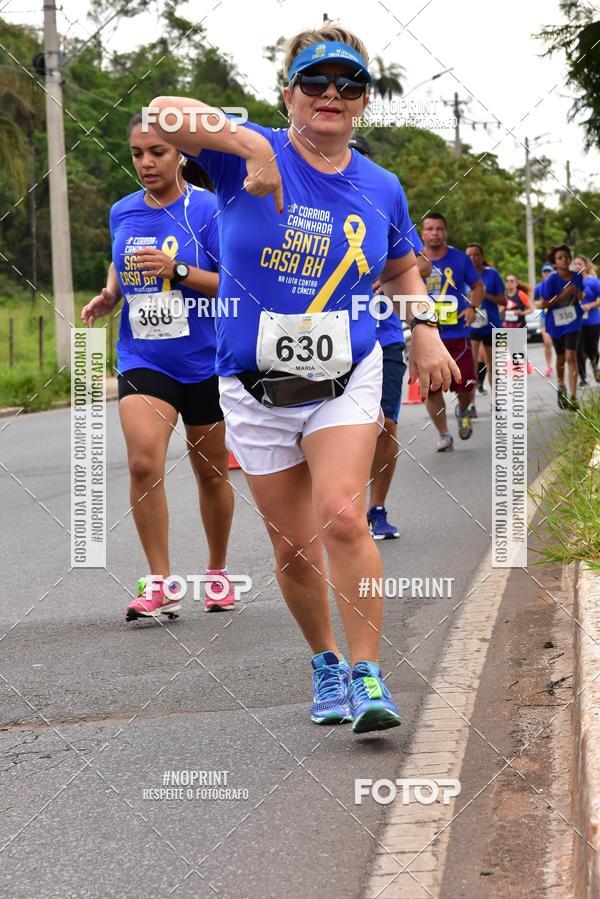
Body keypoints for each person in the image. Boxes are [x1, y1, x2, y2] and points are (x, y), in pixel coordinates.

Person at [150, 25, 458, 733]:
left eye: (349, 83)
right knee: (291, 548)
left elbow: (400, 266)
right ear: (287, 92)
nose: (331, 93)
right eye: (315, 80)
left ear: (363, 103)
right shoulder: (239, 158)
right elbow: (163, 111)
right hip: (253, 380)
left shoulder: (381, 185)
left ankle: (367, 671)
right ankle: (324, 659)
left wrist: (426, 330)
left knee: (344, 514)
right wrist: (255, 148)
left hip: (343, 372)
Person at [81, 113, 235, 619]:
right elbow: (122, 258)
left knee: (211, 474)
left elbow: (233, 284)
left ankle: (216, 573)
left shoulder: (210, 209)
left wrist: (180, 271)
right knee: (144, 461)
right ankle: (161, 581)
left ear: (182, 154)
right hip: (143, 355)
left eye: (158, 153)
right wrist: (111, 292)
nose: (146, 163)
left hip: (205, 358)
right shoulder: (122, 210)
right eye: (137, 154)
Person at [349, 136, 432, 540]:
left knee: (385, 425)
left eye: (358, 158)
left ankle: (376, 508)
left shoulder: (382, 201)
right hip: (332, 341)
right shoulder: (311, 205)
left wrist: (388, 273)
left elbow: (420, 262)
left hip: (384, 338)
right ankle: (340, 508)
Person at [421, 214, 484, 451]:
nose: (434, 232)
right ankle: (444, 434)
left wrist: (471, 307)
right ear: (422, 233)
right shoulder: (414, 260)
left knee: (466, 384)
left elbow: (478, 286)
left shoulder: (459, 259)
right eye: (429, 228)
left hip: (457, 333)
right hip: (427, 335)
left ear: (445, 232)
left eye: (439, 228)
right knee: (431, 388)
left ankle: (463, 409)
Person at [538, 244, 584, 410]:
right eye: (560, 258)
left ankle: (573, 396)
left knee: (571, 356)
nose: (564, 259)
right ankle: (561, 386)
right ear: (555, 263)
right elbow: (543, 304)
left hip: (573, 321)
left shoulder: (577, 276)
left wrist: (578, 293)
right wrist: (563, 295)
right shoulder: (550, 280)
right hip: (556, 323)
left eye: (566, 257)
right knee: (561, 358)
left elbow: (580, 296)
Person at [465, 243, 505, 414]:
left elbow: (503, 301)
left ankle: (496, 401)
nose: (473, 258)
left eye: (476, 255)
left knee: (493, 365)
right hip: (472, 325)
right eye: (469, 255)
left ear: (482, 257)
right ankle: (471, 404)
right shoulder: (462, 276)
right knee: (471, 365)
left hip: (492, 324)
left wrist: (482, 294)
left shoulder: (492, 274)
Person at [573, 255, 600, 385]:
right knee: (578, 350)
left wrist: (589, 305)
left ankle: (595, 369)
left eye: (579, 264)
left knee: (592, 349)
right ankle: (583, 378)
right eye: (575, 264)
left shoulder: (593, 282)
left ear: (585, 266)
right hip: (577, 323)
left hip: (593, 322)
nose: (577, 266)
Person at [534, 264, 555, 378]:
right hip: (544, 316)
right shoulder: (538, 287)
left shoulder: (557, 285)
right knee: (547, 342)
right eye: (545, 271)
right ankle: (549, 366)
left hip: (556, 316)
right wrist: (543, 304)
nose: (547, 273)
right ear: (542, 274)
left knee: (559, 342)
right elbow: (536, 303)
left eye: (549, 271)